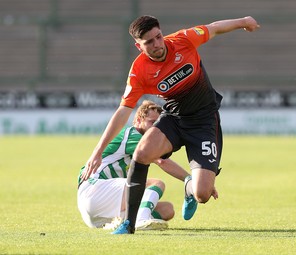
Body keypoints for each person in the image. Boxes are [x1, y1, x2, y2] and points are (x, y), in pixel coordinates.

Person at [81, 15, 260, 234]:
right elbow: (123, 111)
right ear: (139, 46)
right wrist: (97, 151)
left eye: (158, 37)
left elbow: (213, 28)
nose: (157, 44)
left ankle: (189, 189)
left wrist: (243, 21)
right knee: (142, 153)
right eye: (149, 42)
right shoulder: (139, 70)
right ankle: (129, 223)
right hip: (174, 119)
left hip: (204, 122)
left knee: (202, 194)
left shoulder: (183, 40)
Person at [77, 100, 191, 230]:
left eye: (158, 125)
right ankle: (141, 220)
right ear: (138, 121)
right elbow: (162, 161)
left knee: (167, 210)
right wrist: (189, 179)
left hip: (98, 208)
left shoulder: (141, 138)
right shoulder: (133, 134)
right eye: (152, 123)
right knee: (156, 184)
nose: (155, 128)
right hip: (95, 190)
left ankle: (120, 222)